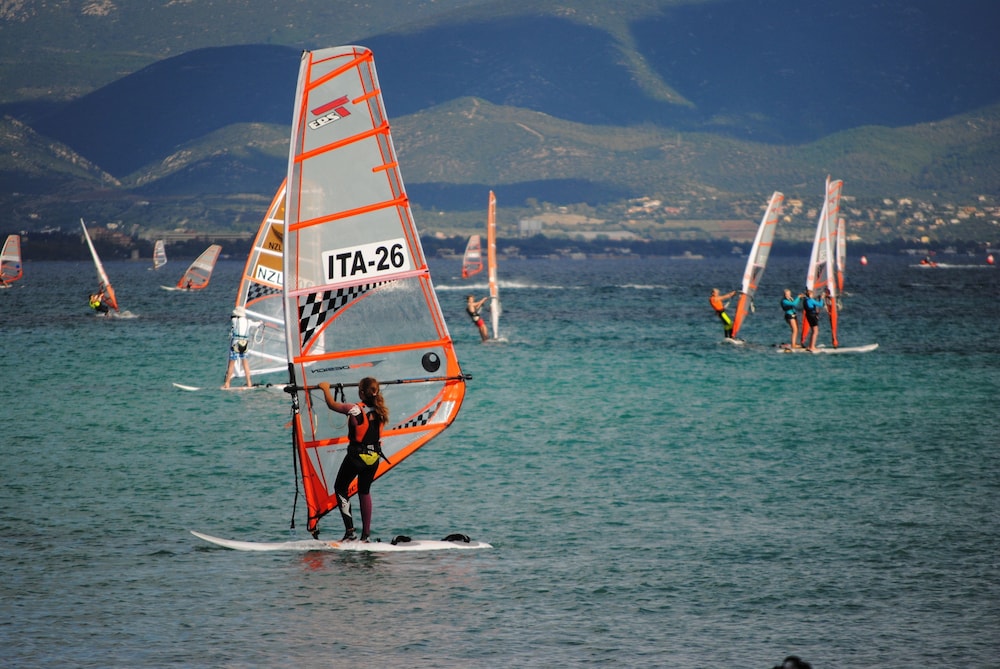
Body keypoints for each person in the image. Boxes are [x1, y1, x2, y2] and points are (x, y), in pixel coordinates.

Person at [316, 377, 389, 542]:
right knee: (364, 491)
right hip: (374, 458)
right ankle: (366, 536)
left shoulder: (355, 409)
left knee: (340, 488)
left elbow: (331, 405)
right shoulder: (381, 410)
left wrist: (325, 388)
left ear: (362, 393)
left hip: (357, 458)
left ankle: (350, 532)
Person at [222, 306, 261, 389]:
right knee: (245, 363)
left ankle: (227, 383)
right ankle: (249, 383)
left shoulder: (234, 320)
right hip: (244, 344)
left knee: (231, 364)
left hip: (236, 343)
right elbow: (257, 324)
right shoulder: (248, 322)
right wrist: (260, 322)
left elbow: (232, 317)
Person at [802, 288, 824, 352]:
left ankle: (810, 346)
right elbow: (820, 304)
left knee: (813, 331)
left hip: (808, 316)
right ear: (810, 295)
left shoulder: (805, 300)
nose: (813, 295)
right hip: (812, 316)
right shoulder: (811, 300)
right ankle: (812, 347)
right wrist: (821, 298)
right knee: (815, 331)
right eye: (812, 294)